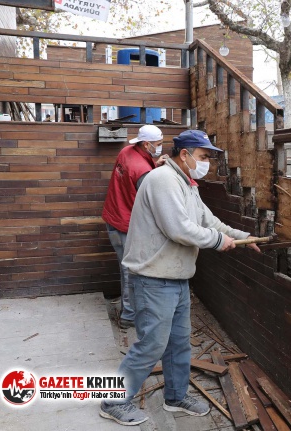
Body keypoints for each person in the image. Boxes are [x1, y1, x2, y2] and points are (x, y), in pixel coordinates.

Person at [99, 129, 261, 426]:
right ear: (184, 154)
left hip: (175, 276)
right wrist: (215, 240)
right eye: (202, 157)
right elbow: (179, 229)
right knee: (151, 344)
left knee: (178, 342)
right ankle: (113, 401)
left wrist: (242, 236)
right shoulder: (161, 180)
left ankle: (175, 396)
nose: (205, 163)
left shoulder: (187, 183)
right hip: (152, 277)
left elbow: (208, 221)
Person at [102, 125, 169, 330]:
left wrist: (154, 166)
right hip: (125, 225)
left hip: (113, 218)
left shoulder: (126, 152)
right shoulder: (142, 172)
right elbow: (149, 195)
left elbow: (133, 178)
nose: (159, 147)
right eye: (157, 145)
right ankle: (129, 316)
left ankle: (129, 312)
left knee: (126, 268)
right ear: (146, 144)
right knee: (130, 271)